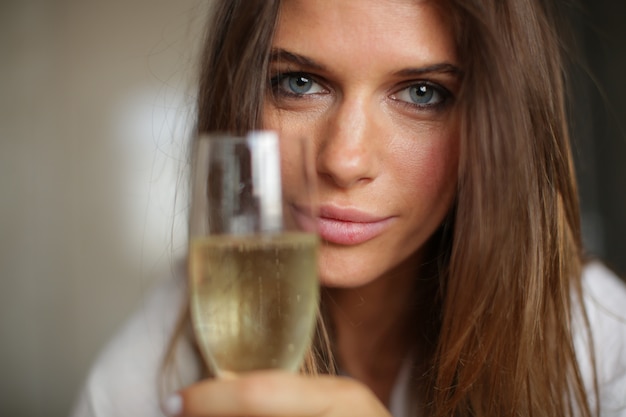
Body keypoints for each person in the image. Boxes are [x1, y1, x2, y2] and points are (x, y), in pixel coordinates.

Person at [71, 0, 626, 416]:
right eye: (299, 82)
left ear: (498, 128)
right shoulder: (172, 341)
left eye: (422, 93)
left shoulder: (603, 346)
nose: (344, 159)